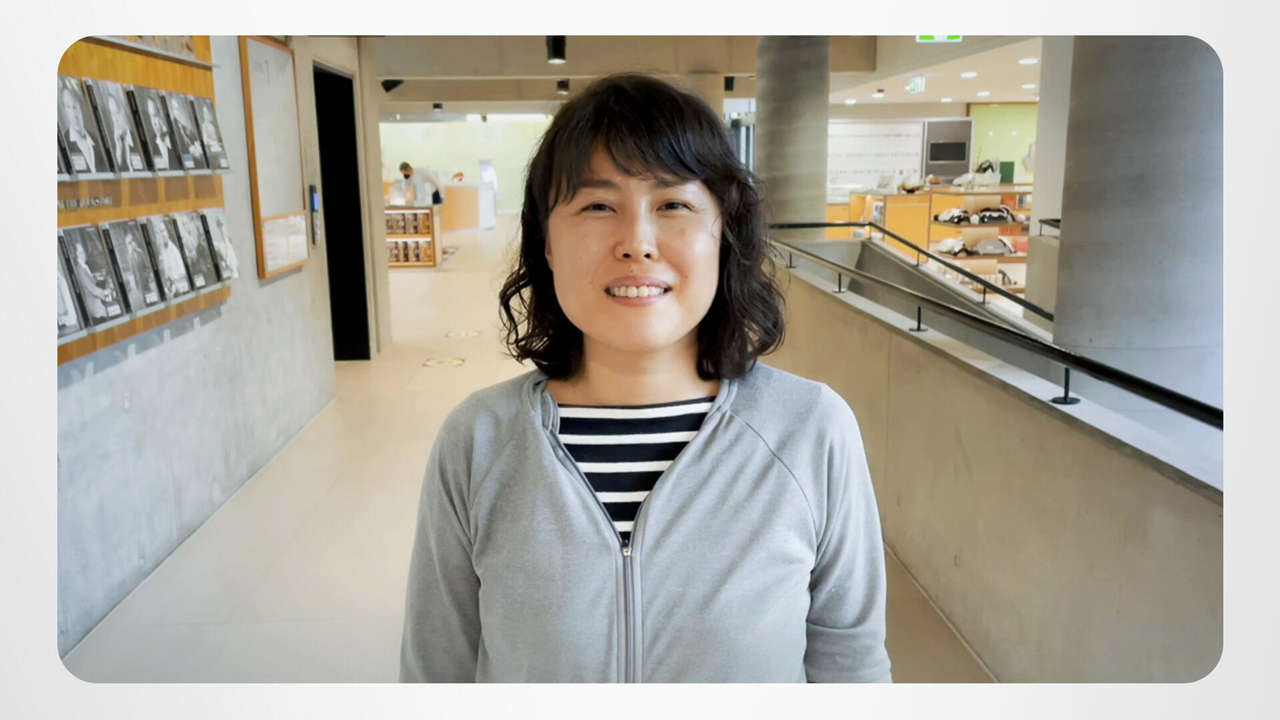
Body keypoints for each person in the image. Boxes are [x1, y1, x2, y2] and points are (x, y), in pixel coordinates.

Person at [399, 73, 891, 683]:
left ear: (724, 232)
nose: (637, 243)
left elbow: (852, 667)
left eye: (673, 205)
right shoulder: (478, 441)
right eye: (597, 206)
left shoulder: (811, 431)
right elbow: (436, 674)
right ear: (546, 242)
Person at [59, 81, 107, 174]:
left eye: (75, 106)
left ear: (81, 106)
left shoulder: (97, 140)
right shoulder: (64, 143)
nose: (73, 113)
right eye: (68, 107)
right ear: (64, 110)